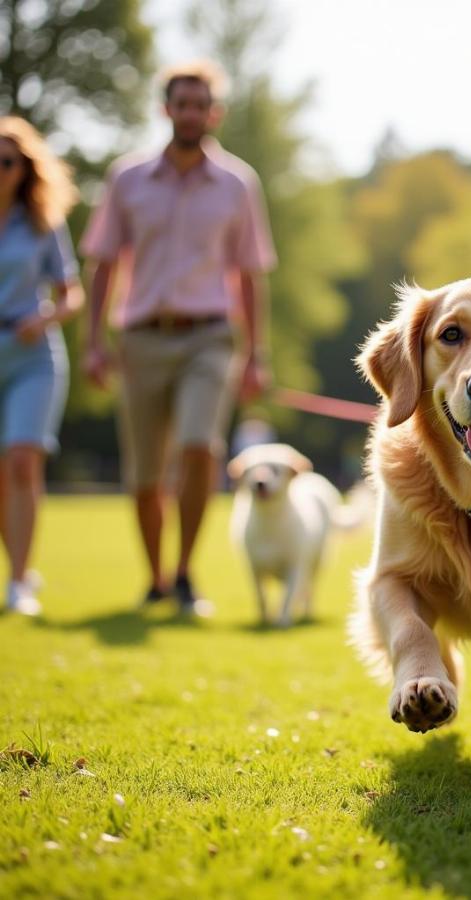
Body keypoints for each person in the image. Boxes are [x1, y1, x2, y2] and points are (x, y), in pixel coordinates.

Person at [80, 60, 277, 615]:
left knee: (199, 447)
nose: (191, 113)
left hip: (210, 337)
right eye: (181, 103)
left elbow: (251, 274)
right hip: (140, 338)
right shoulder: (127, 178)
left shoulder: (239, 183)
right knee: (145, 474)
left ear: (215, 113)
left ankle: (187, 572)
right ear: (166, 109)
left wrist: (257, 355)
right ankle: (156, 578)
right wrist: (92, 344)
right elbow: (102, 264)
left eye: (201, 104)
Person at [0, 117, 82, 615]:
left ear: (23, 169)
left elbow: (72, 292)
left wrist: (46, 315)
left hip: (33, 353)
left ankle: (19, 581)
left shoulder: (41, 223)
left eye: (7, 162)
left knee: (23, 462)